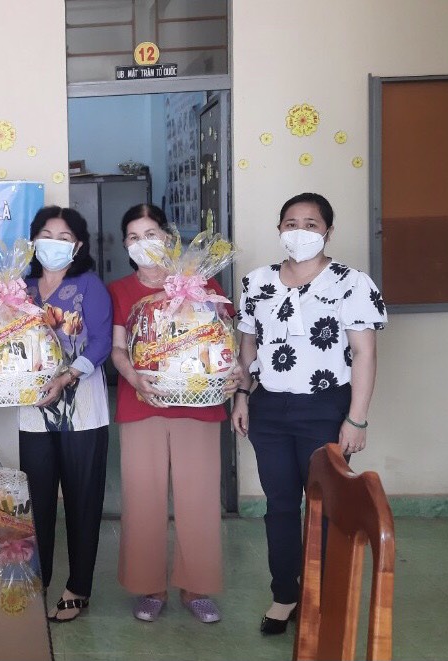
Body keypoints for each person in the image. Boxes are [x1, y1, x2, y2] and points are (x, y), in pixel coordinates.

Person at [231, 192, 387, 634]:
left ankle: (323, 597)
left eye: (311, 224)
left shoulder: (351, 283)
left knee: (326, 508)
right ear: (279, 229)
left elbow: (364, 353)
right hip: (269, 409)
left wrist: (356, 418)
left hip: (325, 409)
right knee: (280, 506)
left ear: (328, 232)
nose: (300, 232)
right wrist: (242, 396)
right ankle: (284, 595)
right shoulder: (257, 281)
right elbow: (248, 343)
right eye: (291, 223)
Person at [108, 203, 236, 624]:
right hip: (141, 403)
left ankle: (197, 587)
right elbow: (117, 348)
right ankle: (150, 587)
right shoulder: (120, 290)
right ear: (125, 245)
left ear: (168, 237)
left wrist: (235, 372)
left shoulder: (201, 282)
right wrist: (134, 377)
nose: (142, 243)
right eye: (133, 237)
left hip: (200, 406)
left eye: (150, 234)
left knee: (198, 498)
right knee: (143, 498)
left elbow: (225, 338)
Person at [18, 206, 112, 623]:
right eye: (46, 234)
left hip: (82, 409)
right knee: (36, 499)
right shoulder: (19, 290)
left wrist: (68, 375)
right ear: (33, 241)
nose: (53, 243)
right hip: (33, 409)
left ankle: (78, 587)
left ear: (77, 246)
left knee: (82, 499)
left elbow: (102, 342)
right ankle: (37, 580)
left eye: (64, 236)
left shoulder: (88, 285)